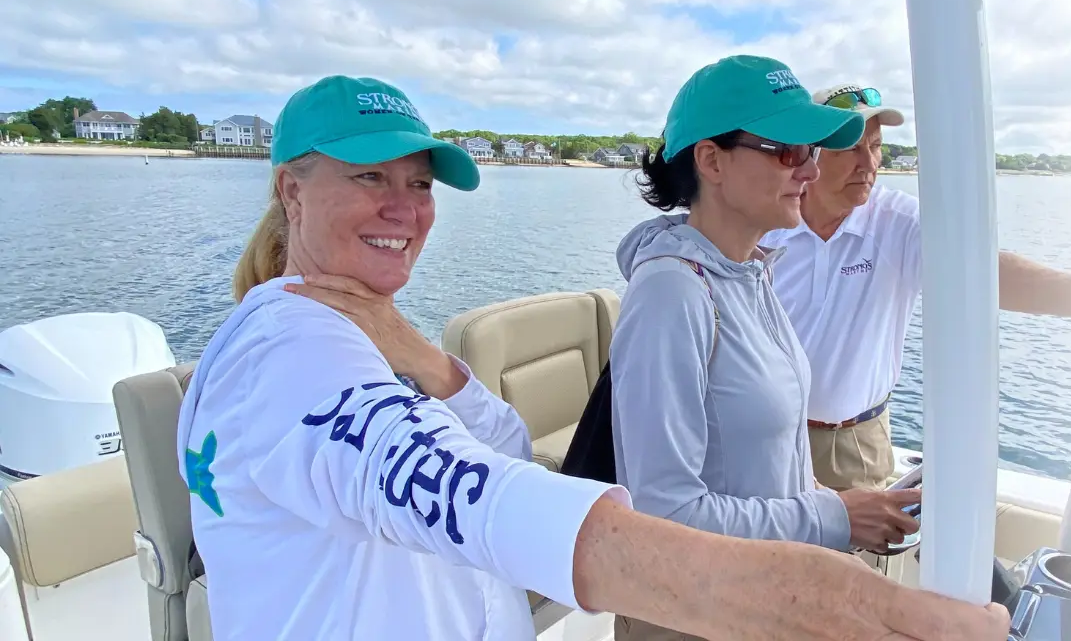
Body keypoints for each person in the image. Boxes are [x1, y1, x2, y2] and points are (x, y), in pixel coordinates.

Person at [179, 73, 1005, 640]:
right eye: (369, 177)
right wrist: (860, 608)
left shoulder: (363, 332)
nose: (405, 207)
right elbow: (485, 497)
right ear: (292, 190)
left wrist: (424, 357)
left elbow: (499, 440)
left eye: (421, 183)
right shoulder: (289, 356)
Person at [604, 56, 926, 640]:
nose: (807, 169)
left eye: (810, 151)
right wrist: (834, 518)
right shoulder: (672, 294)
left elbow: (762, 466)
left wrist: (838, 500)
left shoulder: (751, 273)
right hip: (697, 616)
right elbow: (663, 514)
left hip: (760, 600)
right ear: (712, 160)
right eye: (787, 151)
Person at [763, 83, 1071, 492]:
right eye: (848, 149)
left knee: (846, 555)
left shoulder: (898, 222)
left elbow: (982, 272)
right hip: (765, 435)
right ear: (809, 158)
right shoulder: (766, 225)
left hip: (852, 444)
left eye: (874, 147)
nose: (868, 163)